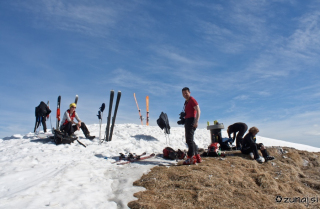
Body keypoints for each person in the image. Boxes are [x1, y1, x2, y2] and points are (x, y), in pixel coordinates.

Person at [181, 87, 201, 165]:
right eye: (183, 93)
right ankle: (197, 156)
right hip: (187, 120)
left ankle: (190, 158)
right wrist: (183, 118)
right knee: (190, 140)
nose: (185, 95)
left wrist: (196, 121)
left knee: (189, 140)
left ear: (189, 92)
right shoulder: (186, 102)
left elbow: (198, 110)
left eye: (186, 93)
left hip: (192, 120)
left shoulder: (192, 100)